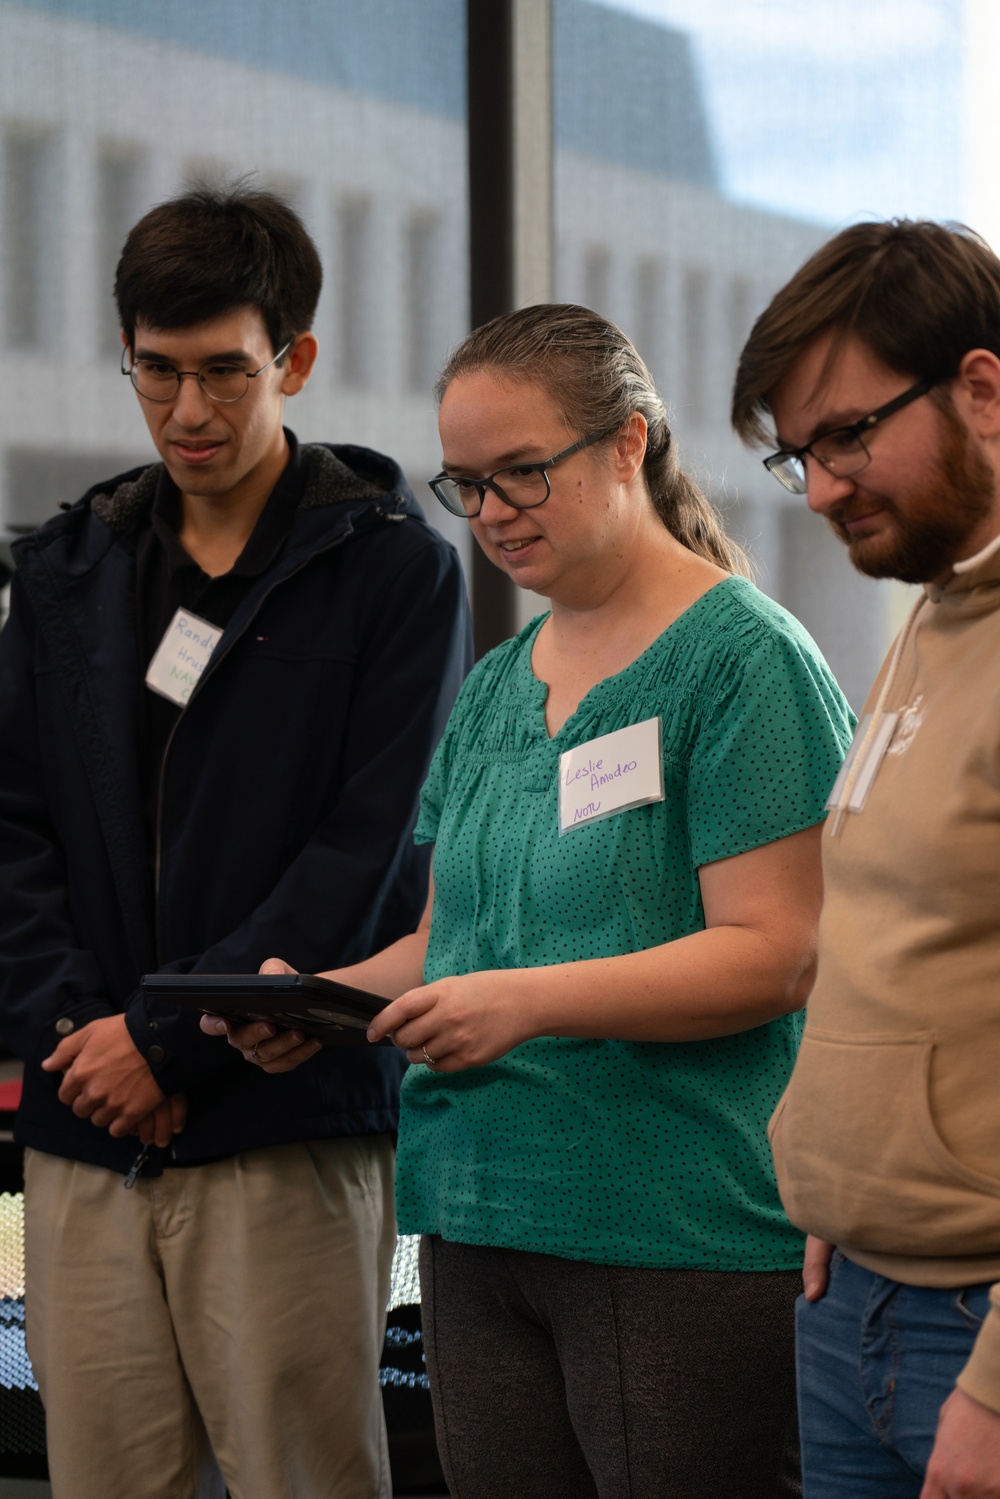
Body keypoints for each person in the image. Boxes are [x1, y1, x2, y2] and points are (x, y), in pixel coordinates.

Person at [213, 303, 854, 1499]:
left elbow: (779, 954)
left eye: (522, 473)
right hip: (478, 1215)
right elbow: (448, 942)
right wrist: (321, 998)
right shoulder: (505, 680)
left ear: (630, 443)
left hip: (673, 1224)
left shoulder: (743, 661)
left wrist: (530, 1003)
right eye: (466, 484)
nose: (494, 512)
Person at [0, 183, 471, 1499]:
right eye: (158, 373)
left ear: (296, 360)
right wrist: (82, 1037)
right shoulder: (69, 565)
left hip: (282, 1118)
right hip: (82, 1113)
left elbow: (370, 846)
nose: (190, 413)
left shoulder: (394, 570)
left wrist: (164, 1035)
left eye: (225, 372)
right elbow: (11, 824)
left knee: (304, 1476)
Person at [730, 218, 1000, 1499]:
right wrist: (833, 1165)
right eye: (801, 454)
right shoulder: (938, 608)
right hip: (853, 1292)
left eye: (845, 433)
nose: (823, 485)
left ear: (982, 387)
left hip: (977, 1334)